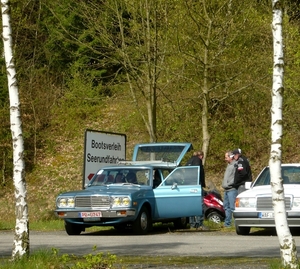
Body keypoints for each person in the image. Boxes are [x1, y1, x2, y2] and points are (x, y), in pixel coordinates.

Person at [186, 151, 207, 230]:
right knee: (199, 204)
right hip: (196, 185)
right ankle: (200, 223)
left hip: (188, 185)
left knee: (191, 205)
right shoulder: (198, 161)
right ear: (200, 156)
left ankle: (192, 224)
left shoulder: (189, 161)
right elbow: (198, 172)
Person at [222, 150, 238, 228]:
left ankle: (236, 224)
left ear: (231, 157)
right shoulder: (228, 165)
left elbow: (235, 177)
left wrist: (229, 184)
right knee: (226, 207)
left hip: (232, 189)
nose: (225, 159)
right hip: (226, 190)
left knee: (233, 207)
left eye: (226, 157)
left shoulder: (235, 165)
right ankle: (227, 223)